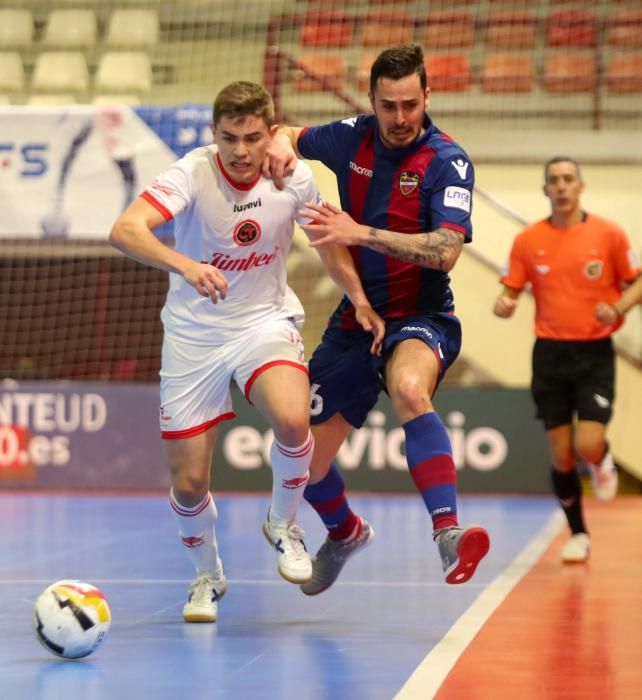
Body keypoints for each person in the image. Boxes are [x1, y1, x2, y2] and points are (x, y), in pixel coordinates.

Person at [109, 81, 384, 622]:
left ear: (271, 133)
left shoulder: (294, 177)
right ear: (214, 135)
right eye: (229, 137)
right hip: (193, 336)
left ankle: (283, 523)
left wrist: (359, 299)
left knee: (291, 416)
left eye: (252, 137)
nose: (240, 150)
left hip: (263, 322)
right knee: (189, 484)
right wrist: (186, 266)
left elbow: (327, 243)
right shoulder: (192, 173)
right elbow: (124, 229)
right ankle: (208, 577)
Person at [265, 44, 490, 594]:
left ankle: (448, 536)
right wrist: (277, 143)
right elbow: (288, 132)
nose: (400, 118)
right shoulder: (352, 137)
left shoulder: (447, 160)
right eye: (388, 106)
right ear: (371, 101)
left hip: (422, 314)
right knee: (300, 463)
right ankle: (343, 533)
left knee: (411, 389)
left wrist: (358, 232)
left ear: (427, 97)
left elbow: (445, 251)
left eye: (410, 104)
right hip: (357, 319)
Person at [493, 156, 641, 563]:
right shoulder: (528, 240)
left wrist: (618, 308)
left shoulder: (608, 235)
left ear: (581, 186)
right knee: (561, 454)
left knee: (588, 444)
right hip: (550, 354)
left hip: (594, 353)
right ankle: (578, 533)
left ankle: (602, 458)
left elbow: (636, 282)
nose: (561, 186)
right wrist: (504, 303)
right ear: (546, 190)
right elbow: (510, 288)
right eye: (553, 180)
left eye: (568, 179)